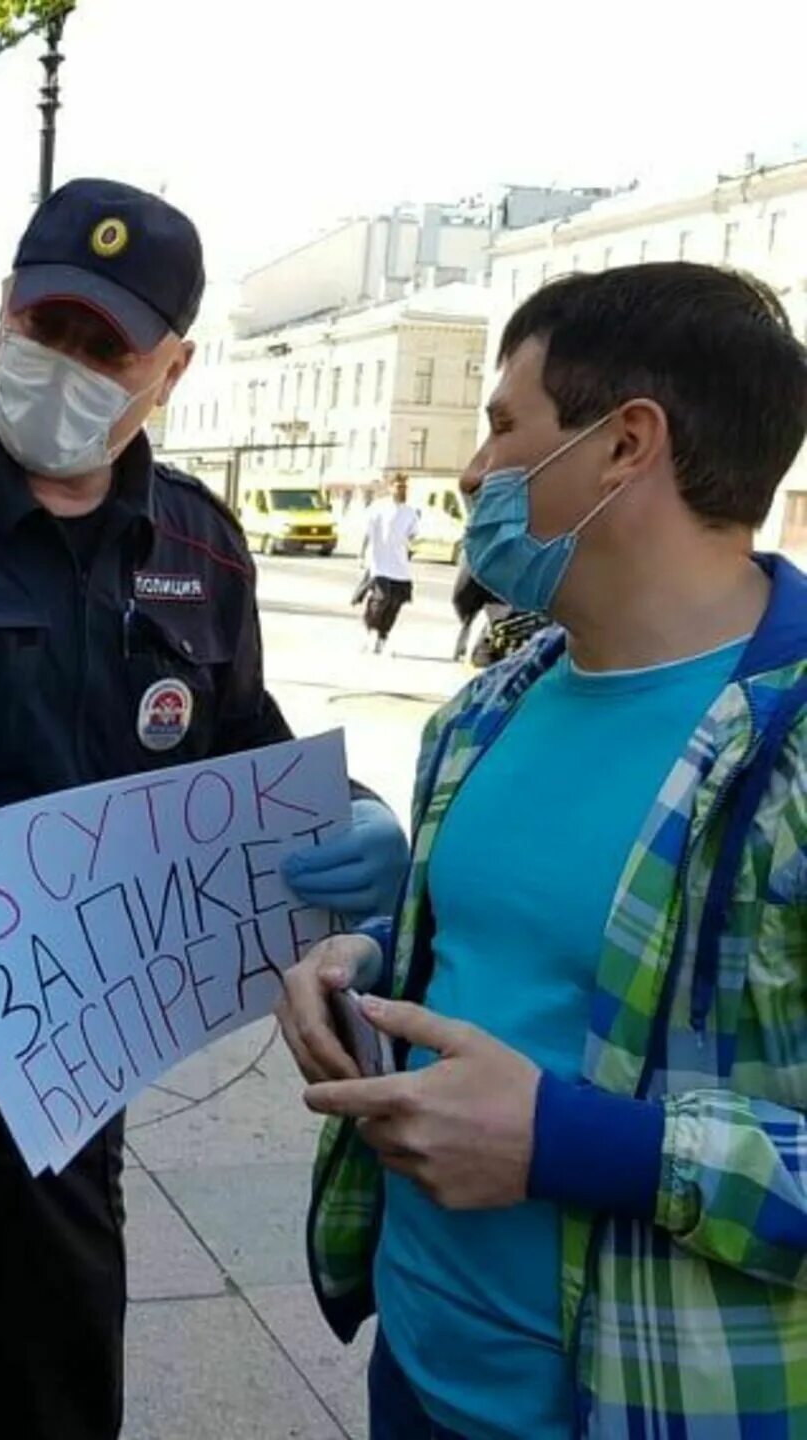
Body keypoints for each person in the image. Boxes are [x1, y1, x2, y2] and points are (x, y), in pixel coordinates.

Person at [0, 178, 410, 1440]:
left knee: (53, 1407)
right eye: (45, 330)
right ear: (3, 312)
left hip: (64, 1094)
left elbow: (240, 745)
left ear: (172, 366)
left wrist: (346, 813)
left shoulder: (202, 548)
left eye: (106, 349)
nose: (65, 368)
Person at [277, 263, 807, 1440]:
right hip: (415, 1369)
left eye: (504, 424)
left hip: (652, 1405)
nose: (471, 474)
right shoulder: (491, 706)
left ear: (626, 446)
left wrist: (572, 1144)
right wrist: (371, 958)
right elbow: (501, 950)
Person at [359, 473, 419, 653]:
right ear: (391, 487)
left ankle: (382, 637)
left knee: (395, 603)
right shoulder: (379, 508)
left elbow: (413, 535)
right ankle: (369, 632)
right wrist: (362, 555)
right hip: (380, 564)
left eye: (405, 487)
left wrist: (410, 549)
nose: (402, 490)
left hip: (400, 566)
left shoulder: (410, 512)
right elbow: (367, 533)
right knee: (380, 600)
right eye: (399, 486)